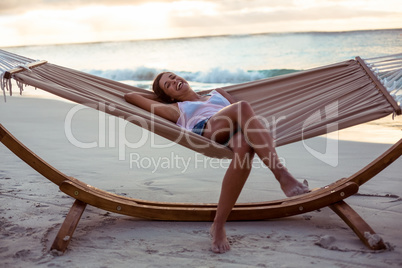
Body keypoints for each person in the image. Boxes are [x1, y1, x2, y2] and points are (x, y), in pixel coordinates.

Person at [124, 72, 309, 253]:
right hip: (207, 129)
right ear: (169, 97)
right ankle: (281, 174)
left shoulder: (218, 93)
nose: (174, 81)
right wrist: (155, 96)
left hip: (237, 129)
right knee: (242, 106)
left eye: (173, 77)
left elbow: (242, 116)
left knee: (245, 147)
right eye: (168, 85)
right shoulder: (176, 108)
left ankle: (218, 225)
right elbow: (130, 96)